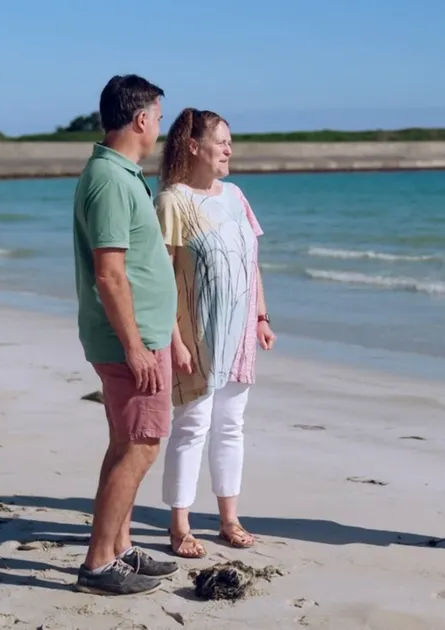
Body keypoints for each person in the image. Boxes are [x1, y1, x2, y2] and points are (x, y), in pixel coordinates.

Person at [72, 74, 180, 595]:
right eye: (158, 118)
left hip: (144, 335)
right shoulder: (112, 181)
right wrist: (136, 344)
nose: (159, 128)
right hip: (129, 341)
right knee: (139, 445)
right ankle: (98, 563)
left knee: (130, 441)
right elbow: (110, 272)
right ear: (141, 119)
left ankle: (119, 547)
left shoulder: (120, 174)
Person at [154, 108, 276, 559]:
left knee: (232, 427)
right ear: (193, 146)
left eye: (230, 140)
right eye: (221, 141)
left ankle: (229, 519)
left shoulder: (237, 195)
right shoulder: (172, 201)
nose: (229, 148)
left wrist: (262, 317)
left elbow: (251, 259)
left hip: (241, 333)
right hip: (197, 336)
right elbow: (160, 277)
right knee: (192, 428)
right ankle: (179, 525)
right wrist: (174, 340)